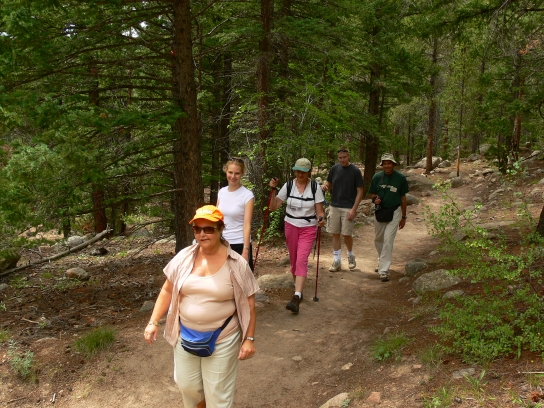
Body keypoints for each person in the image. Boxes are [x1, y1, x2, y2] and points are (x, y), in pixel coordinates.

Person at [144, 205, 259, 408]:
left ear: (220, 229)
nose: (202, 234)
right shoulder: (184, 257)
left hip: (223, 337)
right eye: (197, 229)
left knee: (218, 394)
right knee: (187, 385)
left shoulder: (237, 263)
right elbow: (167, 290)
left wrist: (248, 339)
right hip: (185, 334)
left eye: (208, 229)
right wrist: (153, 322)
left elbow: (250, 305)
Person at [269, 158, 326, 314]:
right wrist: (273, 190)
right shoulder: (288, 186)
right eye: (298, 171)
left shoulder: (315, 187)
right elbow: (273, 207)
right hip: (291, 226)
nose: (300, 174)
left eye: (303, 172)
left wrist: (321, 219)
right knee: (294, 259)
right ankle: (298, 289)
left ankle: (297, 296)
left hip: (308, 227)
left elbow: (319, 211)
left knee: (301, 259)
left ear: (309, 172)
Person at [321, 147, 364, 271]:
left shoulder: (355, 171)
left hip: (348, 207)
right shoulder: (334, 169)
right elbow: (330, 183)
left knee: (346, 234)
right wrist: (326, 186)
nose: (342, 160)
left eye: (344, 157)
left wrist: (354, 209)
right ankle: (337, 260)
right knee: (335, 233)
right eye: (340, 158)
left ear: (348, 156)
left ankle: (350, 255)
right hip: (334, 205)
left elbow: (360, 191)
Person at [369, 153, 409, 282]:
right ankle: (381, 261)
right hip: (380, 211)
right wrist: (375, 199)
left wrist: (403, 216)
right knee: (378, 239)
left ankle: (384, 271)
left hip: (394, 211)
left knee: (388, 240)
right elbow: (372, 194)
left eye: (389, 163)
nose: (387, 166)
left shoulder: (400, 178)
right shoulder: (377, 177)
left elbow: (403, 198)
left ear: (393, 164)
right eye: (384, 164)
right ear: (382, 165)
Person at [217, 157, 255, 270]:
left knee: (241, 278)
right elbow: (216, 218)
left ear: (242, 173)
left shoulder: (247, 195)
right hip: (222, 243)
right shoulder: (221, 192)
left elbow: (247, 224)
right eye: (230, 172)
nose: (233, 176)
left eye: (237, 173)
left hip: (239, 243)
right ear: (225, 171)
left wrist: (245, 250)